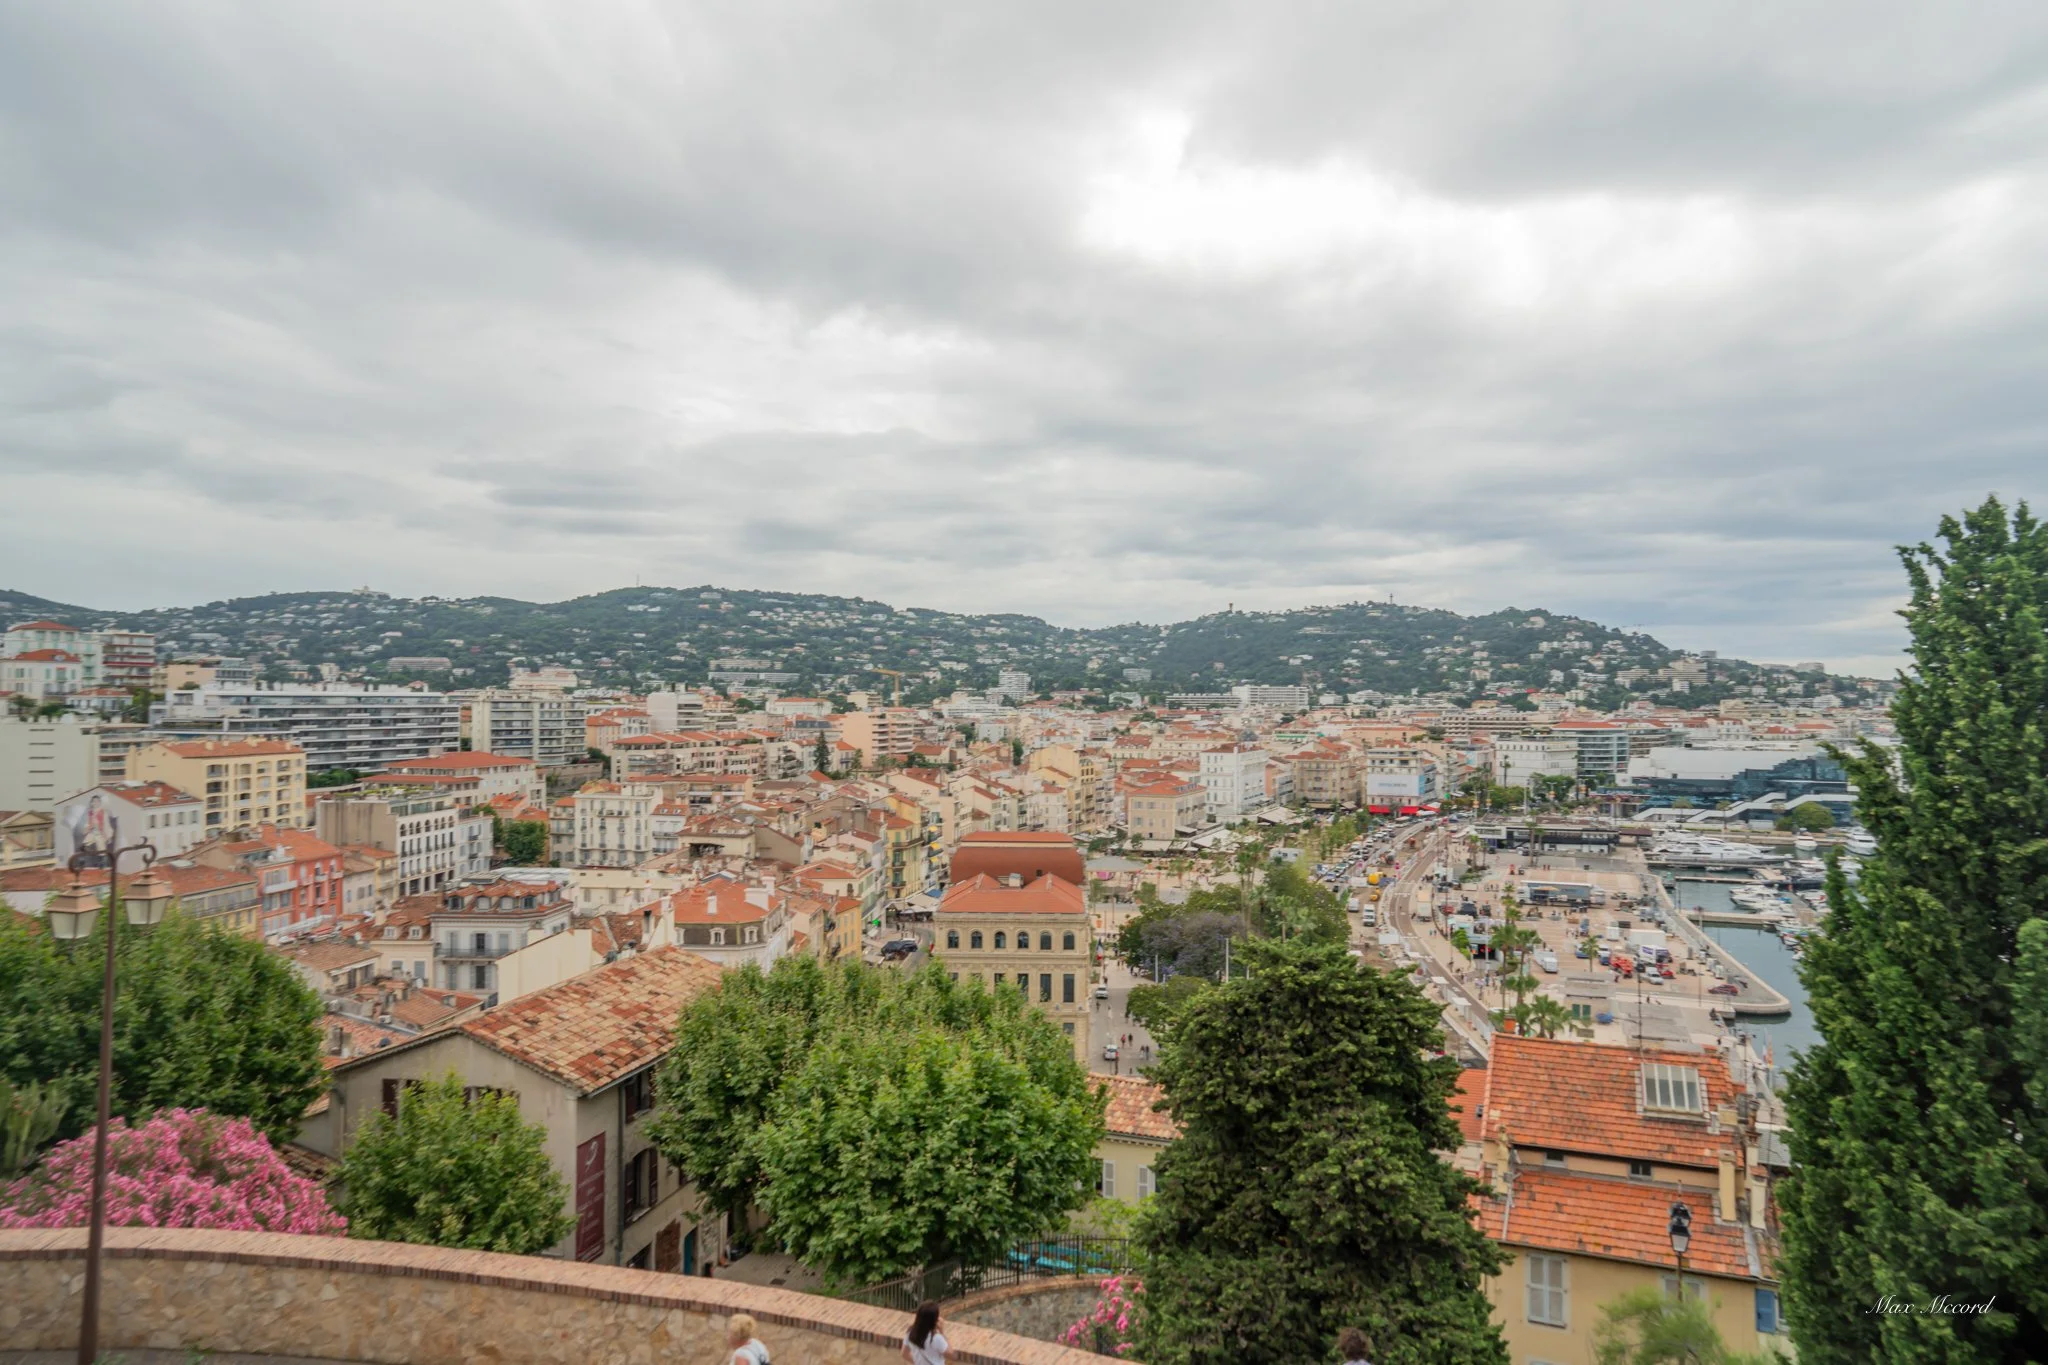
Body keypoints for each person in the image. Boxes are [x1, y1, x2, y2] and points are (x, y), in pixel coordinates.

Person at [902, 1300, 947, 1365]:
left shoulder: (911, 1332)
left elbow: (904, 1354)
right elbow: (948, 1354)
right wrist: (942, 1331)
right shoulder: (936, 1338)